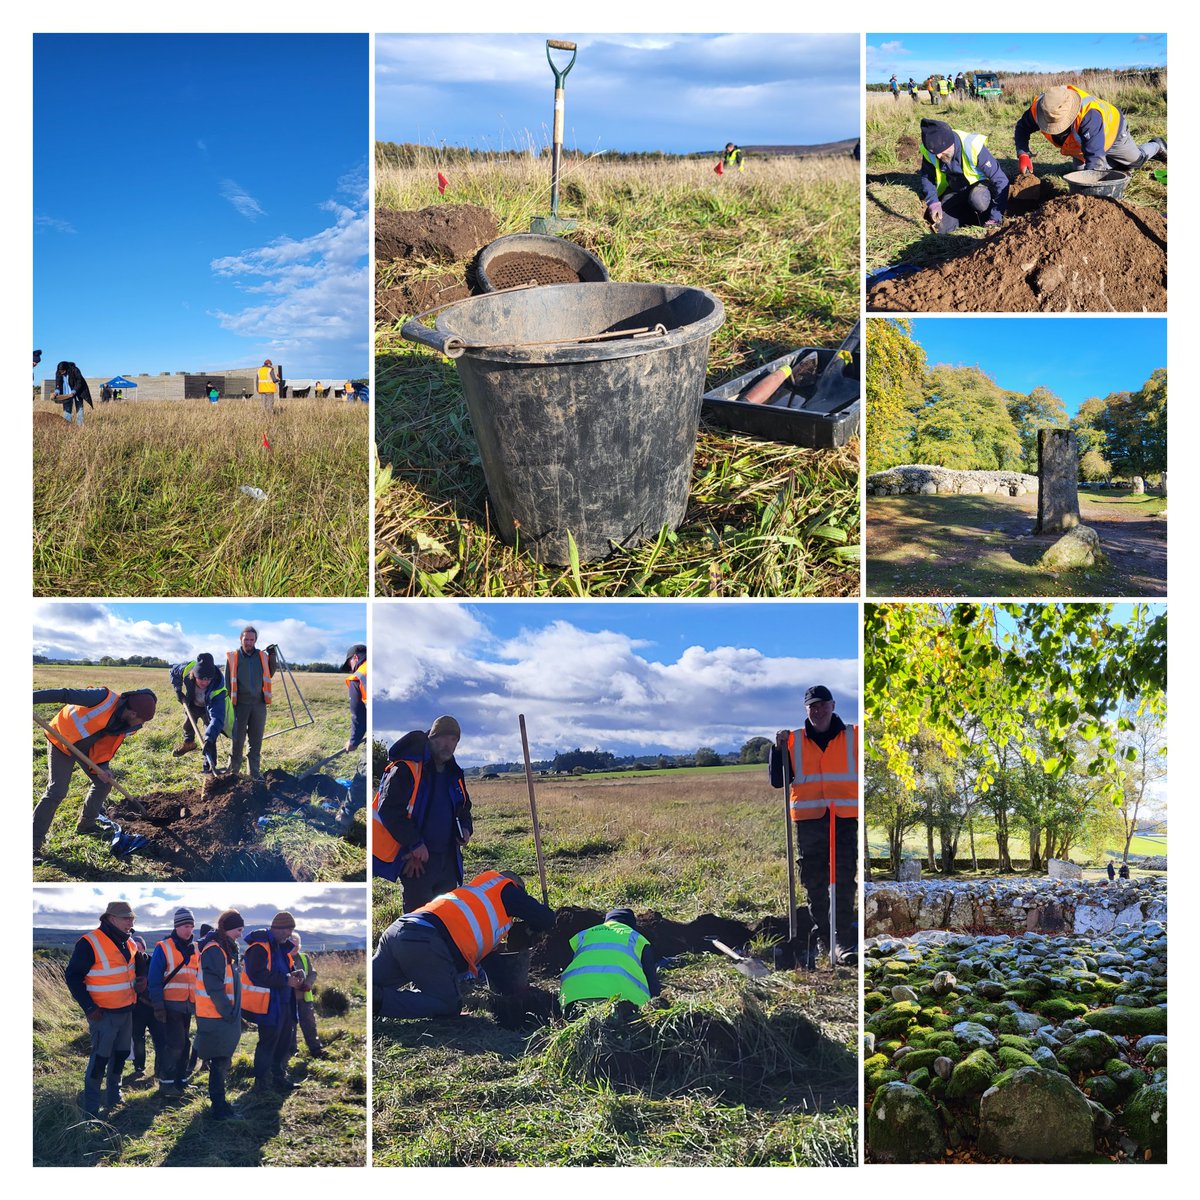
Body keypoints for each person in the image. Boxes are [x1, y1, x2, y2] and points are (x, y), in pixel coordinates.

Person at [373, 870, 555, 1019]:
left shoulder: (477, 901)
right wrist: (537, 927)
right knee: (448, 1004)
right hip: (425, 942)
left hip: (398, 932)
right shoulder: (504, 887)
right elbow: (545, 917)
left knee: (363, 984)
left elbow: (492, 963)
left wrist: (510, 991)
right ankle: (379, 1001)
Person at [769, 685, 859, 965]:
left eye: (822, 705)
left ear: (833, 705)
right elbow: (777, 780)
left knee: (843, 880)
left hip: (844, 819)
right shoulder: (792, 741)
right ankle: (823, 938)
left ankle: (843, 941)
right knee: (814, 882)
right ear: (806, 709)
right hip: (809, 822)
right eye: (812, 706)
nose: (818, 710)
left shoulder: (854, 736)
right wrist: (776, 749)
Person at [33, 686, 157, 862]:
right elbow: (64, 694)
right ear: (131, 711)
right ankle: (33, 844)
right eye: (139, 718)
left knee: (104, 783)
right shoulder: (101, 698)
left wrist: (103, 768)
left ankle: (87, 824)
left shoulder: (129, 724)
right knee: (57, 790)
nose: (139, 723)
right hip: (61, 739)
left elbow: (105, 745)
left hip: (86, 749)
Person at [372, 715, 474, 910]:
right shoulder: (405, 768)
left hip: (448, 861)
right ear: (431, 737)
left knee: (445, 917)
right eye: (443, 738)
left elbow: (464, 808)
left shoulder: (454, 774)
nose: (448, 745)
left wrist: (467, 829)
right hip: (416, 862)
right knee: (418, 921)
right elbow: (389, 809)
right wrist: (414, 843)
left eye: (454, 740)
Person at [64, 900, 140, 1115]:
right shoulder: (90, 942)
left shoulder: (130, 942)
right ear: (110, 919)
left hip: (126, 1011)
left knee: (122, 1054)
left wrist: (142, 978)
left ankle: (114, 1097)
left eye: (132, 917)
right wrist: (89, 1007)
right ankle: (91, 1108)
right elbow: (73, 976)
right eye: (126, 917)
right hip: (102, 1014)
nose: (130, 921)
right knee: (100, 1059)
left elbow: (133, 968)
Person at [1015, 84, 1166, 176]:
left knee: (1135, 161)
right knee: (1080, 173)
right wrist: (1023, 153)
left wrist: (1090, 199)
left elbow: (1094, 160)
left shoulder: (1089, 115)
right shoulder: (1042, 108)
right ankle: (1116, 164)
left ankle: (1157, 145)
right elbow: (1022, 128)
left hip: (1113, 132)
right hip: (1082, 144)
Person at [241, 911, 305, 1094]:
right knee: (268, 1043)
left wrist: (294, 974)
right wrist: (286, 980)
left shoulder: (282, 947)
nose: (289, 934)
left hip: (285, 1003)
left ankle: (278, 1077)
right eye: (287, 930)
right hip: (268, 1005)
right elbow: (257, 975)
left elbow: (283, 971)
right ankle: (261, 1082)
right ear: (277, 928)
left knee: (284, 1042)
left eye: (292, 930)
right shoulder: (259, 947)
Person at [193, 909, 244, 1120]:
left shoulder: (224, 949)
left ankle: (220, 1104)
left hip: (221, 1014)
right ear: (229, 928)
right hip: (216, 1015)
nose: (241, 934)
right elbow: (214, 986)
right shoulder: (216, 950)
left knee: (220, 1060)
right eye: (239, 930)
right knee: (219, 1061)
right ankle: (219, 1108)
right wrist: (228, 1011)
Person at [560, 907, 661, 1011]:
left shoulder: (583, 935)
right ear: (631, 925)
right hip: (622, 1003)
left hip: (572, 1000)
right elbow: (652, 982)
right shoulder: (635, 938)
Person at [918, 118, 1009, 233]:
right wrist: (933, 202)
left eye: (942, 151)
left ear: (950, 142)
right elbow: (927, 177)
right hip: (955, 189)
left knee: (978, 200)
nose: (939, 156)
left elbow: (1001, 180)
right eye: (935, 153)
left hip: (980, 187)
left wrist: (996, 216)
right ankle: (967, 217)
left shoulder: (972, 146)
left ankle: (985, 218)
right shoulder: (931, 152)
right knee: (942, 228)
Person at [148, 906, 199, 1095]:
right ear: (177, 927)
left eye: (191, 926)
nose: (189, 930)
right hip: (169, 1006)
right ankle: (167, 1084)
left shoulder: (195, 949)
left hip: (187, 1006)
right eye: (185, 926)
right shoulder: (164, 947)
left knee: (185, 1044)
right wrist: (158, 1006)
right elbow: (154, 980)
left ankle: (181, 1081)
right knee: (175, 1045)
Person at [225, 626, 278, 781]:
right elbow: (228, 682)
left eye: (251, 640)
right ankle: (232, 774)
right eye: (246, 639)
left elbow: (270, 673)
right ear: (240, 639)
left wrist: (273, 656)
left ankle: (254, 774)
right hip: (239, 705)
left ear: (255, 640)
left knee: (256, 741)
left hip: (258, 705)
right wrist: (229, 706)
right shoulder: (233, 657)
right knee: (237, 741)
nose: (248, 642)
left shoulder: (262, 656)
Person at [170, 653, 233, 774]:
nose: (204, 683)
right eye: (201, 679)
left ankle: (209, 768)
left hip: (208, 709)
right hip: (192, 703)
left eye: (208, 679)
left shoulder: (218, 688)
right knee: (188, 724)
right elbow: (173, 671)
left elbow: (217, 718)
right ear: (194, 674)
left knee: (209, 738)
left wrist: (209, 738)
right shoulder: (187, 669)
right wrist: (177, 689)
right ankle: (189, 743)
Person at [128, 934, 163, 1085]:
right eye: (134, 947)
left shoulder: (153, 962)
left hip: (154, 1007)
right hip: (137, 1009)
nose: (137, 950)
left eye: (139, 947)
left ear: (144, 947)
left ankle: (160, 1069)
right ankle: (139, 1067)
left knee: (159, 1039)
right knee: (138, 1039)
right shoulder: (128, 965)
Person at [289, 931, 323, 1057]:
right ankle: (292, 1052)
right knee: (290, 1026)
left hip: (304, 998)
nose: (294, 948)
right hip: (289, 999)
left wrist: (308, 984)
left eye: (296, 946)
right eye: (292, 945)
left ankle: (316, 1050)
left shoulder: (304, 957)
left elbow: (312, 973)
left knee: (309, 1024)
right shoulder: (281, 958)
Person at [342, 644, 367, 753]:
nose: (352, 669)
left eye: (350, 664)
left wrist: (353, 742)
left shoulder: (358, 677)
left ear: (355, 658)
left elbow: (358, 714)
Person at [52, 361, 93, 426]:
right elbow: (58, 384)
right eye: (60, 371)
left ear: (66, 368)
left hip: (78, 392)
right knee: (66, 410)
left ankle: (80, 426)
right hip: (66, 394)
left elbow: (79, 382)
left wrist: (74, 392)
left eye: (63, 371)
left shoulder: (75, 370)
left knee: (79, 408)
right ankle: (67, 426)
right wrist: (56, 392)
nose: (61, 372)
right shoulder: (58, 373)